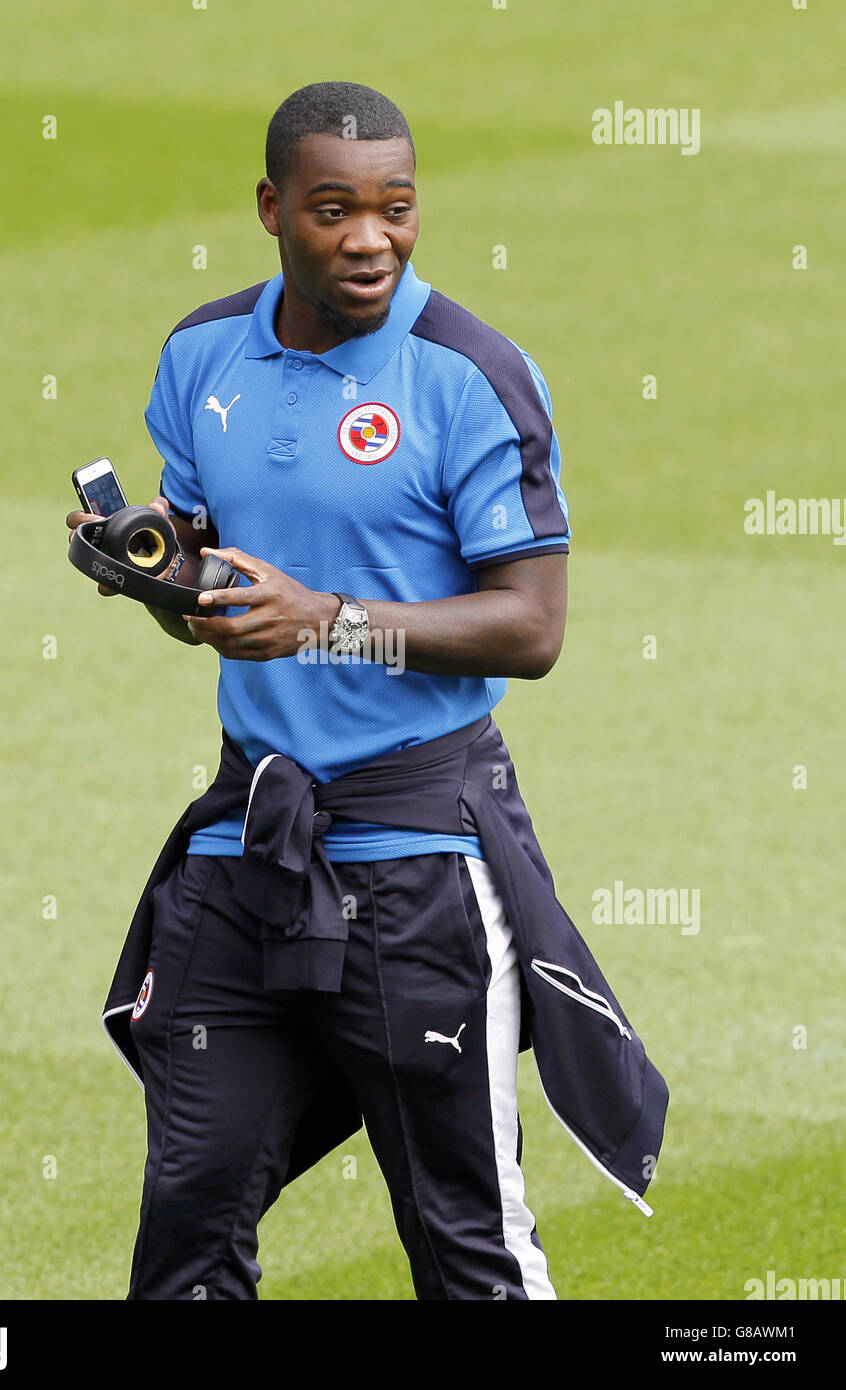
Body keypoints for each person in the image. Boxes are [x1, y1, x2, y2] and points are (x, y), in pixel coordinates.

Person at [67, 81, 667, 1301]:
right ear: (271, 207)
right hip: (247, 858)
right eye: (334, 209)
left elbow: (533, 630)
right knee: (186, 1230)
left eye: (396, 209)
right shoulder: (202, 354)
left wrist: (326, 622)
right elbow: (219, 600)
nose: (369, 238)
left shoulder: (470, 374)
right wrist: (158, 577)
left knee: (466, 1247)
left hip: (422, 872)